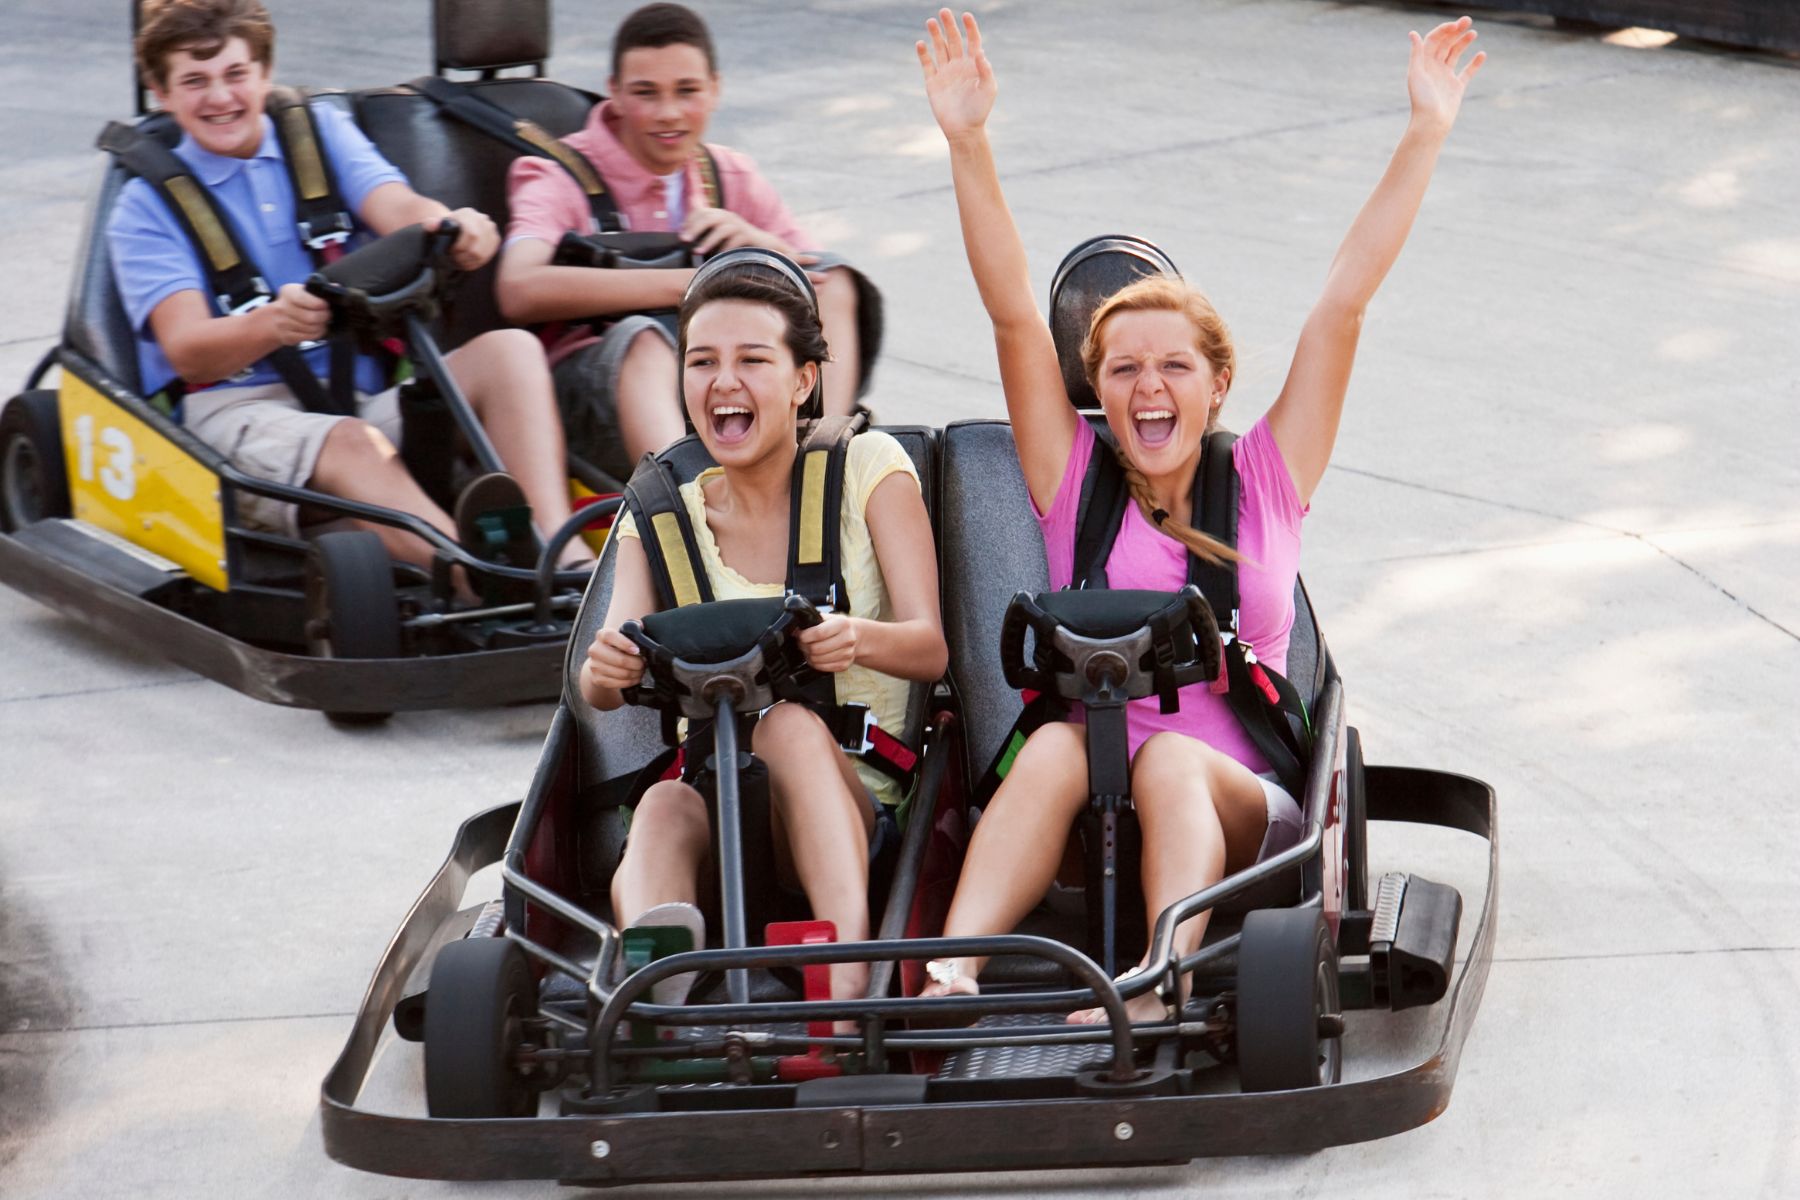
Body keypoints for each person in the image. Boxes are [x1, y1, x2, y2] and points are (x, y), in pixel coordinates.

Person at [914, 9, 1485, 1021]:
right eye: (1124, 368)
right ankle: (952, 973)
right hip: (1092, 791)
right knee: (1047, 741)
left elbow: (1341, 307)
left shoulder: (1268, 473)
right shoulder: (1075, 479)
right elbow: (1010, 313)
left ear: (1215, 384)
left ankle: (1159, 979)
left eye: (1173, 365)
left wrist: (1424, 132)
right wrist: (968, 139)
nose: (1149, 387)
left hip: (1243, 808)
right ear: (1097, 388)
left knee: (1173, 754)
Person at [578, 252, 944, 1020]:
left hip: (852, 792)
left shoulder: (868, 469)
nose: (723, 382)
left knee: (786, 727)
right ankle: (654, 994)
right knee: (662, 807)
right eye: (702, 361)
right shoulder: (658, 509)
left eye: (752, 360)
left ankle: (843, 990)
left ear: (803, 379)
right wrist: (608, 665)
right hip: (717, 807)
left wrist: (856, 639)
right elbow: (600, 682)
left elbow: (929, 646)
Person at [108, 0, 585, 574]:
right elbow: (185, 348)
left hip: (352, 401)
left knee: (510, 352)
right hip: (237, 415)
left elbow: (399, 207)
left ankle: (562, 555)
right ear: (161, 94)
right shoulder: (144, 206)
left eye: (235, 75)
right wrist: (268, 325)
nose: (220, 97)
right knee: (353, 442)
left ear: (263, 72)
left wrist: (449, 228)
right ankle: (477, 578)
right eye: (194, 82)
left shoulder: (317, 134)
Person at [496, 2, 870, 487]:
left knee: (833, 278)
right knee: (644, 343)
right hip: (591, 395)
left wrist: (761, 247)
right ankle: (695, 518)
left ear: (715, 88)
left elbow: (815, 283)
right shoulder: (558, 174)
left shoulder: (728, 175)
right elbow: (518, 287)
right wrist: (694, 284)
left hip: (724, 385)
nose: (668, 113)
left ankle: (822, 465)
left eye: (687, 91)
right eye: (646, 93)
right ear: (614, 93)